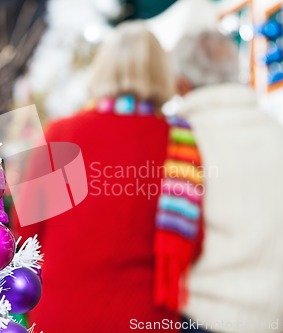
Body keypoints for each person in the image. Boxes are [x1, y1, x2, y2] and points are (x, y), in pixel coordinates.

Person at [13, 21, 187, 333]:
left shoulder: (62, 134)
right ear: (162, 72)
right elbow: (191, 240)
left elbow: (25, 232)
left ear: (103, 69)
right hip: (145, 316)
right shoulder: (181, 142)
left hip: (61, 313)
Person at [164, 31, 283, 333]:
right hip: (271, 321)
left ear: (181, 83)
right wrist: (281, 310)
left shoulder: (179, 140)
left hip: (196, 317)